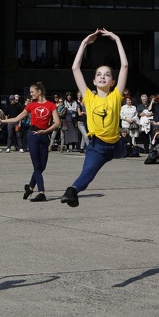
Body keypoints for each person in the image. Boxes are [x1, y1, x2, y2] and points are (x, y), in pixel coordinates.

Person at [60, 29, 128, 208]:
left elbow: (125, 67)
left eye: (107, 74)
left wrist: (117, 39)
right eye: (99, 74)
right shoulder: (89, 97)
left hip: (116, 145)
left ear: (112, 81)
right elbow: (75, 68)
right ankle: (72, 192)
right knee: (87, 173)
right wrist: (83, 43)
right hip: (97, 147)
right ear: (94, 81)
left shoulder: (116, 96)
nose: (103, 77)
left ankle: (126, 146)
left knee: (123, 151)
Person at [0, 81, 59, 202]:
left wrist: (46, 131)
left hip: (43, 136)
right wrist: (2, 121)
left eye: (32, 92)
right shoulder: (31, 105)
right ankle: (41, 192)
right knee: (37, 166)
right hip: (32, 135)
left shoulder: (51, 105)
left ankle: (30, 187)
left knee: (42, 166)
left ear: (39, 92)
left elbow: (57, 123)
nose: (30, 94)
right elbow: (16, 118)